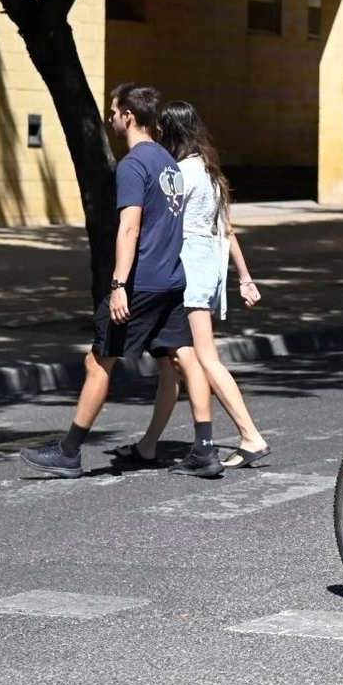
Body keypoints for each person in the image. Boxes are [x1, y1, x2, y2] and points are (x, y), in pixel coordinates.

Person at [19, 83, 225, 479]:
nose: (110, 118)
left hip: (142, 282)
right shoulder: (168, 162)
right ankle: (204, 449)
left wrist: (117, 285)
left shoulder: (133, 165)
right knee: (185, 356)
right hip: (172, 278)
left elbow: (129, 228)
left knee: (98, 361)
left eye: (113, 112)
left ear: (129, 116)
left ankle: (69, 452)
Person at [114, 101, 271, 468]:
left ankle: (250, 435)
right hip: (207, 266)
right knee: (172, 363)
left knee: (204, 358)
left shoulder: (181, 172)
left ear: (169, 132)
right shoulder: (210, 171)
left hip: (189, 267)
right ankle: (150, 444)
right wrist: (245, 277)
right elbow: (228, 229)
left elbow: (160, 219)